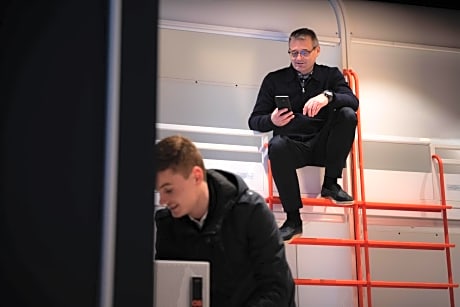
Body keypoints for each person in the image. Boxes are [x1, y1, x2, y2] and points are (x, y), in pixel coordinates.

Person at [154, 135, 296, 307]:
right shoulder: (167, 224)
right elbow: (168, 291)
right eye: (159, 191)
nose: (162, 200)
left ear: (196, 176)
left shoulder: (251, 211)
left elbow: (279, 289)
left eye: (168, 190)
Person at [248, 27, 359, 242]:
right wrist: (271, 120)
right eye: (294, 53)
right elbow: (254, 121)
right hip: (293, 145)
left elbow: (353, 102)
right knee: (277, 145)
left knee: (347, 114)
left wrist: (327, 96)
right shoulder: (274, 80)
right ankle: (293, 220)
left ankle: (331, 184)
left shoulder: (330, 75)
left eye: (304, 52)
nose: (298, 58)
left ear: (317, 51)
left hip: (323, 144)